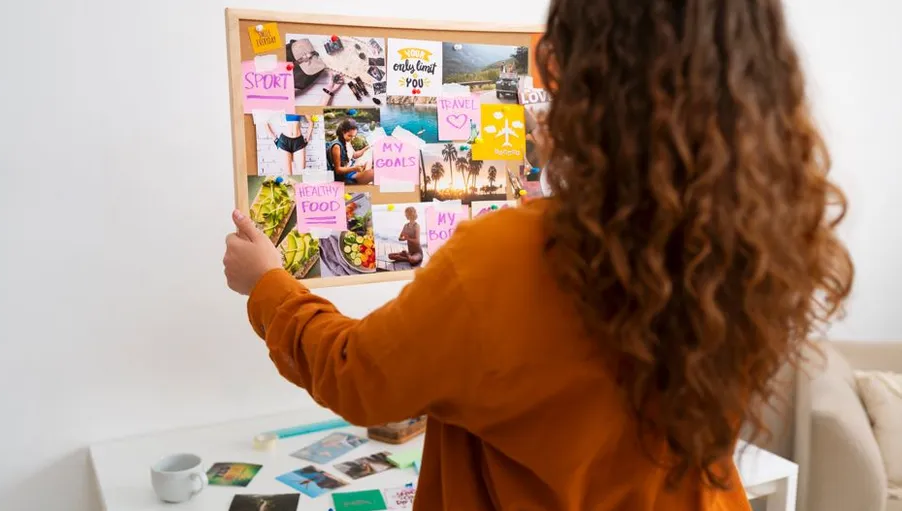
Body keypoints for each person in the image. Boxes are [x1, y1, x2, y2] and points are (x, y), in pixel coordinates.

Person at [223, 0, 854, 508]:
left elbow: (356, 376)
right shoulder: (755, 244)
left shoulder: (509, 258)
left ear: (569, 75)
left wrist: (269, 285)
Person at [326, 118, 373, 185]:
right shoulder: (337, 146)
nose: (352, 138)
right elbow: (338, 170)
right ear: (343, 132)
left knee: (369, 155)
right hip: (345, 174)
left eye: (354, 136)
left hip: (351, 166)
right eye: (350, 136)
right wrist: (354, 169)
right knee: (372, 173)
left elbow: (355, 155)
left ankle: (363, 177)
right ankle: (362, 179)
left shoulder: (347, 140)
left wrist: (367, 147)